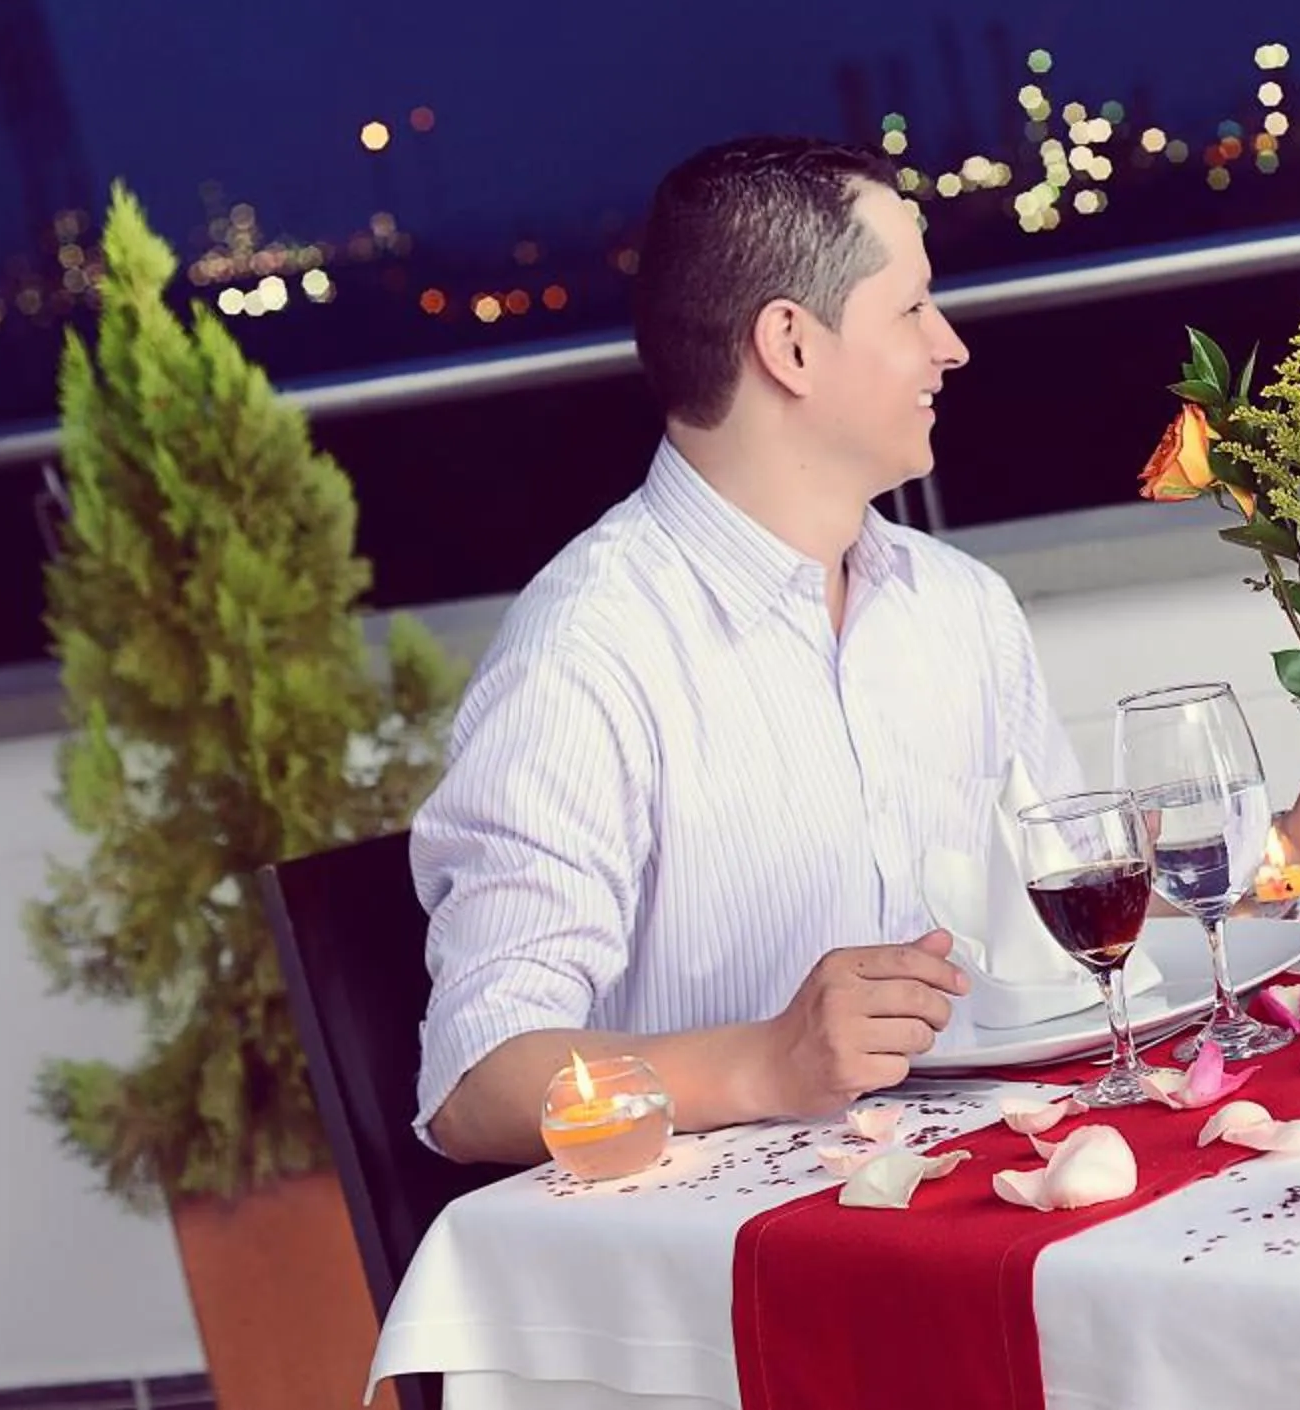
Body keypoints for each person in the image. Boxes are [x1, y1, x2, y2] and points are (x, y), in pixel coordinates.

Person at [411, 135, 1073, 1161]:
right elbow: (476, 1083)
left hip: (980, 1176)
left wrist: (1269, 866)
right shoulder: (586, 653)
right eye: (911, 309)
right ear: (791, 346)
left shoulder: (962, 608)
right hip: (724, 1239)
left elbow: (1067, 910)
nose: (950, 346)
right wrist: (768, 1061)